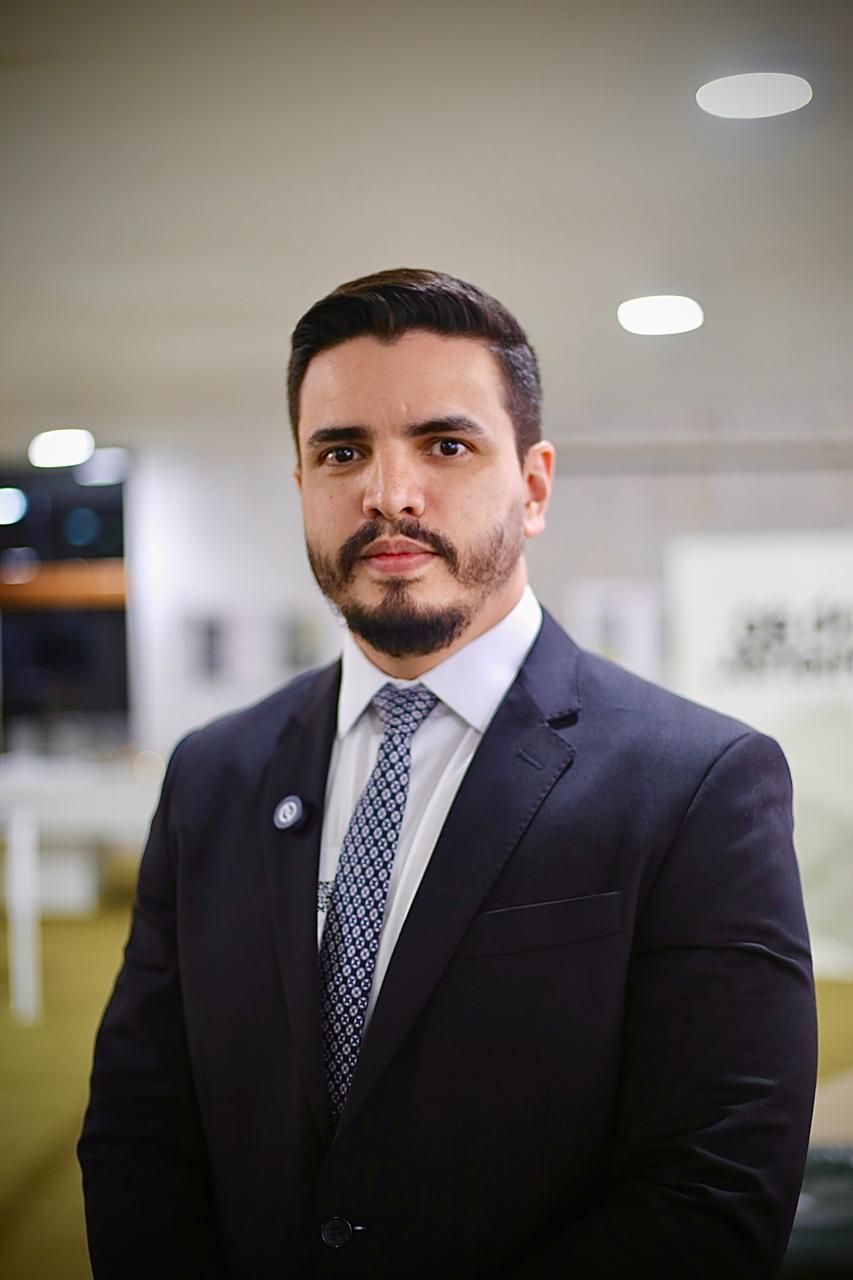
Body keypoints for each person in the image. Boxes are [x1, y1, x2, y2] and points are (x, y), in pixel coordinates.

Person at [79, 268, 817, 1279]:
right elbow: (139, 1123)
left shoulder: (696, 785)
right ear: (302, 486)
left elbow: (712, 1191)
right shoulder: (214, 774)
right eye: (342, 451)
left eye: (445, 444)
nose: (388, 493)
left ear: (534, 486)